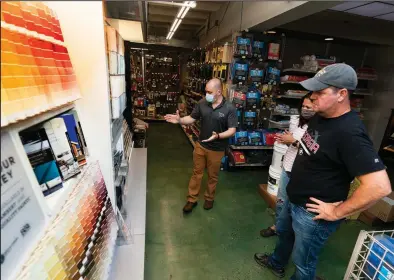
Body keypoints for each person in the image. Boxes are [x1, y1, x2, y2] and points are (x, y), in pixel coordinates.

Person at [254, 63, 392, 279]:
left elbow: (379, 186)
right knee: (284, 234)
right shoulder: (321, 116)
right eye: (313, 91)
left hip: (312, 213)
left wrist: (337, 212)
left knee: (303, 264)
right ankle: (277, 262)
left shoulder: (350, 133)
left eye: (320, 92)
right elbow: (314, 149)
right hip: (294, 196)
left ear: (342, 94)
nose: (313, 97)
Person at [164, 78, 237, 213]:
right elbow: (191, 118)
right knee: (196, 173)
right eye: (206, 91)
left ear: (219, 92)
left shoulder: (229, 108)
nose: (206, 94)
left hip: (217, 149)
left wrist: (219, 136)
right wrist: (180, 120)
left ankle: (209, 198)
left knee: (212, 176)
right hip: (201, 145)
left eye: (209, 92)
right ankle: (192, 199)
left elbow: (232, 130)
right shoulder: (202, 103)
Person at [260, 93, 315, 238]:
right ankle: (278, 226)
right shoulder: (300, 122)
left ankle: (290, 232)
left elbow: (313, 149)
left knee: (294, 205)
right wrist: (287, 137)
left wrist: (293, 141)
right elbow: (295, 139)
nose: (305, 109)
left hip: (301, 172)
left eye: (309, 107)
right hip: (288, 167)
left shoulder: (318, 127)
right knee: (280, 201)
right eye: (303, 106)